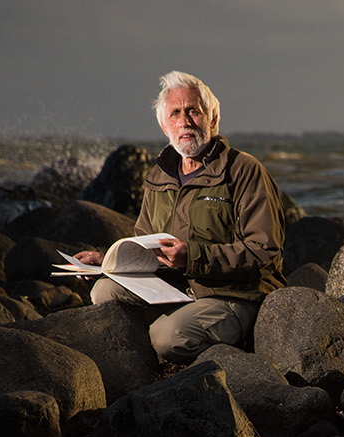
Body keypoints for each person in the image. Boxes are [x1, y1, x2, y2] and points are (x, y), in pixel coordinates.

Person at [76, 70, 286, 364]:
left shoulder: (244, 170)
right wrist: (105, 258)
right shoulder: (159, 174)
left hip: (233, 294)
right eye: (175, 113)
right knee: (104, 291)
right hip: (175, 287)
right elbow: (144, 243)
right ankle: (140, 364)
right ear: (164, 125)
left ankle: (236, 361)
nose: (185, 122)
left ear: (212, 119)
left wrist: (193, 257)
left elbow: (265, 253)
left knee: (168, 337)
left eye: (194, 112)